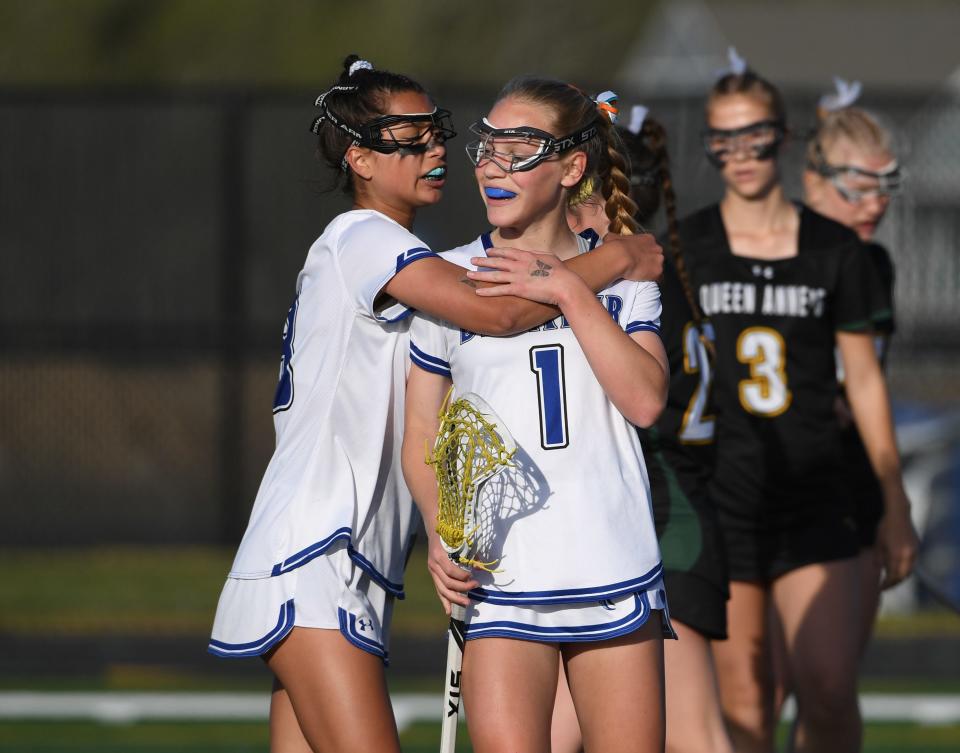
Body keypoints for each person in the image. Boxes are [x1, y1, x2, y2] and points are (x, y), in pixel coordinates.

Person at [206, 56, 664, 753]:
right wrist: (621, 257)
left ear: (570, 166)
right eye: (413, 140)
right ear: (359, 157)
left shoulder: (412, 258)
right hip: (317, 551)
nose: (442, 153)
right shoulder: (368, 241)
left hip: (353, 560)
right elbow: (508, 312)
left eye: (437, 133)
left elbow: (637, 391)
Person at [402, 76, 673, 753]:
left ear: (571, 167)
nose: (493, 166)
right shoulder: (448, 277)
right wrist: (439, 529)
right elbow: (419, 434)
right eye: (486, 147)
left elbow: (644, 400)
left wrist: (568, 289)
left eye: (517, 149)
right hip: (504, 577)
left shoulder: (621, 278)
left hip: (611, 565)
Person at [679, 53, 917, 753]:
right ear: (710, 146)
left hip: (819, 493)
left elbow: (866, 380)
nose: (740, 153)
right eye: (723, 139)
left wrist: (894, 499)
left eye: (754, 135)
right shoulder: (688, 246)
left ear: (782, 138)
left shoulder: (836, 250)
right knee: (747, 704)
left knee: (829, 685)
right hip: (725, 498)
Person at [560, 99, 734, 753]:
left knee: (695, 736)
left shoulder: (626, 291)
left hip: (662, 521)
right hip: (653, 514)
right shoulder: (660, 275)